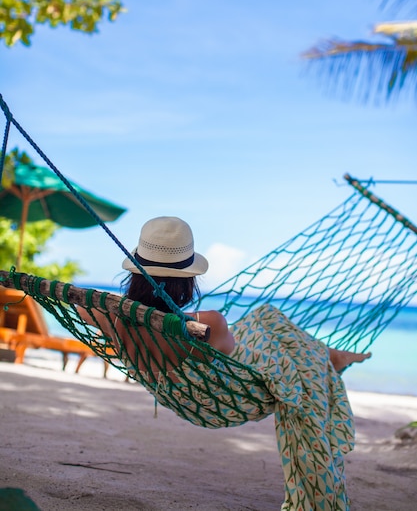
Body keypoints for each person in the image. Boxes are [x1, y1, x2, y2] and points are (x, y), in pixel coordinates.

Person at [81, 216, 371, 511]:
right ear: (188, 282)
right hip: (227, 391)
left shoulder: (106, 315)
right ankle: (327, 357)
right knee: (276, 329)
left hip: (185, 391)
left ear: (135, 273)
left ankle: (325, 356)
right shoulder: (208, 323)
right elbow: (232, 350)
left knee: (266, 318)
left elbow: (82, 305)